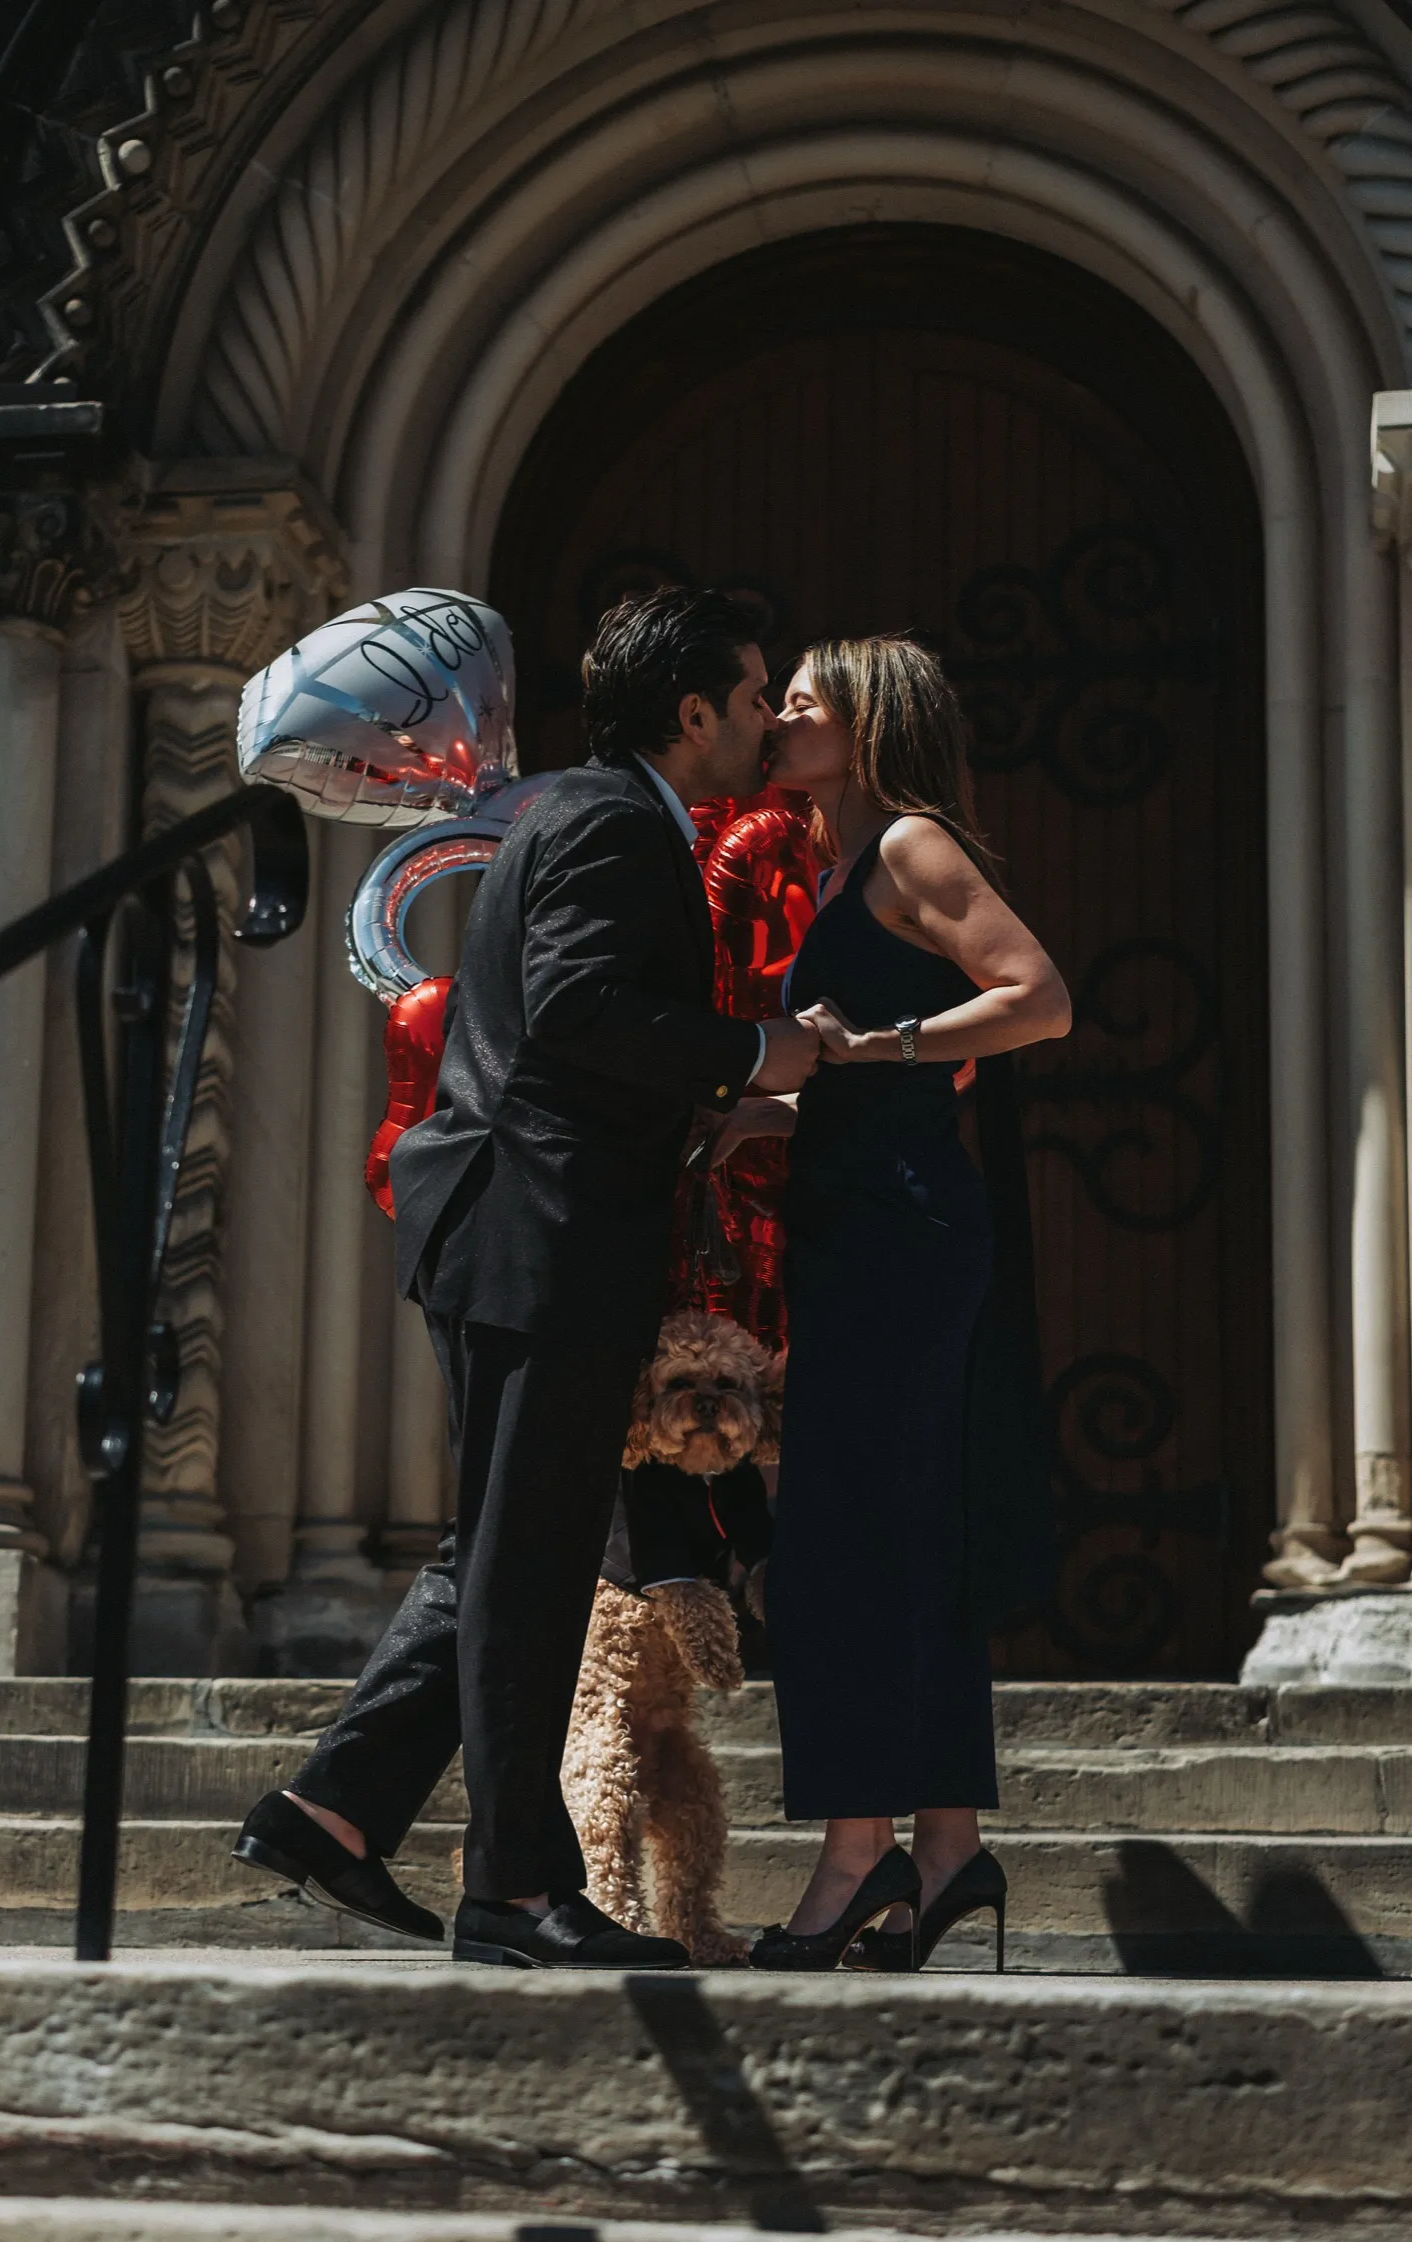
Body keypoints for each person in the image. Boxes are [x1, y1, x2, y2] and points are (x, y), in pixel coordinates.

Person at [234, 588, 821, 1969]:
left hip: (521, 1227)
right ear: (690, 713)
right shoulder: (614, 821)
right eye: (748, 697)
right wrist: (749, 1054)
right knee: (530, 1562)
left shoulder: (585, 813)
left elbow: (565, 1032)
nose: (759, 718)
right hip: (533, 1234)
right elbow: (575, 1010)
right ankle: (511, 1890)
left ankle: (334, 1812)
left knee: (499, 1548)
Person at [711, 636, 1069, 1973]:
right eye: (784, 690)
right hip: (868, 1219)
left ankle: (854, 1859)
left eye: (813, 690)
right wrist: (757, 1113)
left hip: (900, 1233)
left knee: (842, 1545)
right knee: (898, 1536)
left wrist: (886, 1046)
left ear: (876, 720)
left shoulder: (910, 848)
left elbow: (1037, 1001)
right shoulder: (839, 866)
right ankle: (943, 1847)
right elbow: (867, 1074)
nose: (787, 706)